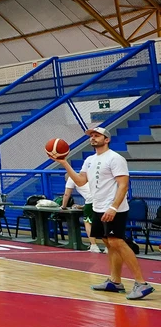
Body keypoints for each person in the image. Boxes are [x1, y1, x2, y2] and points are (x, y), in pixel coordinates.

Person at [52, 126, 153, 300]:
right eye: (91, 135)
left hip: (114, 208)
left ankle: (141, 283)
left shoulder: (115, 158)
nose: (93, 137)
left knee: (117, 242)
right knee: (108, 242)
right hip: (98, 206)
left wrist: (113, 207)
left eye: (97, 135)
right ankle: (115, 281)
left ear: (106, 139)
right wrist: (64, 163)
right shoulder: (89, 159)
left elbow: (123, 185)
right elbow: (81, 180)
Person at [62, 176, 104, 253]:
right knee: (102, 222)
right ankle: (108, 247)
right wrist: (83, 206)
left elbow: (66, 194)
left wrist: (63, 206)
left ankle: (94, 245)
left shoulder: (71, 178)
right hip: (101, 199)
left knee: (87, 222)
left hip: (90, 201)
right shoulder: (85, 176)